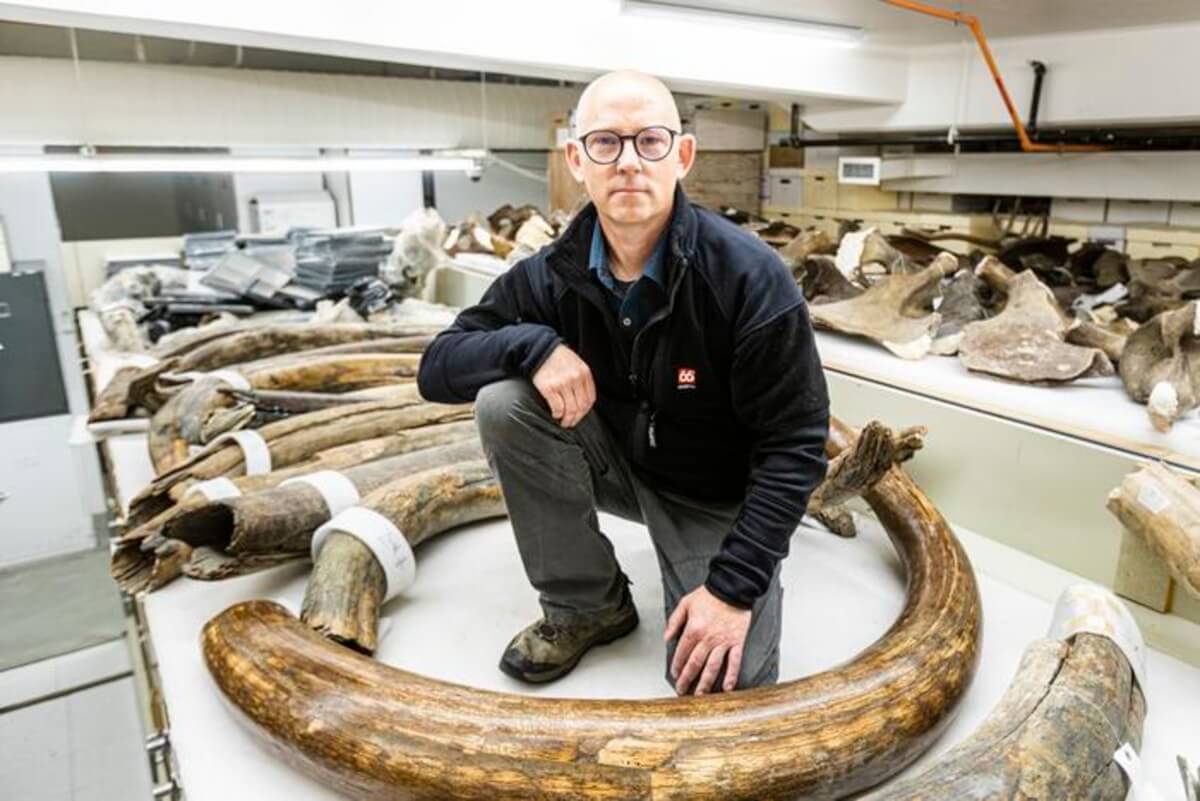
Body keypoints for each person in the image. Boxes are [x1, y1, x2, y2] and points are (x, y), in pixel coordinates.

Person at [417, 70, 829, 696]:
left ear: (682, 156)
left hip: (714, 494)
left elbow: (796, 444)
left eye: (650, 142)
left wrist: (732, 588)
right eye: (607, 143)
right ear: (577, 159)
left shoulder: (749, 277)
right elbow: (438, 366)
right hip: (620, 463)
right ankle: (588, 605)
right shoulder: (549, 275)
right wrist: (534, 345)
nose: (630, 162)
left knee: (725, 684)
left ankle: (709, 573)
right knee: (505, 402)